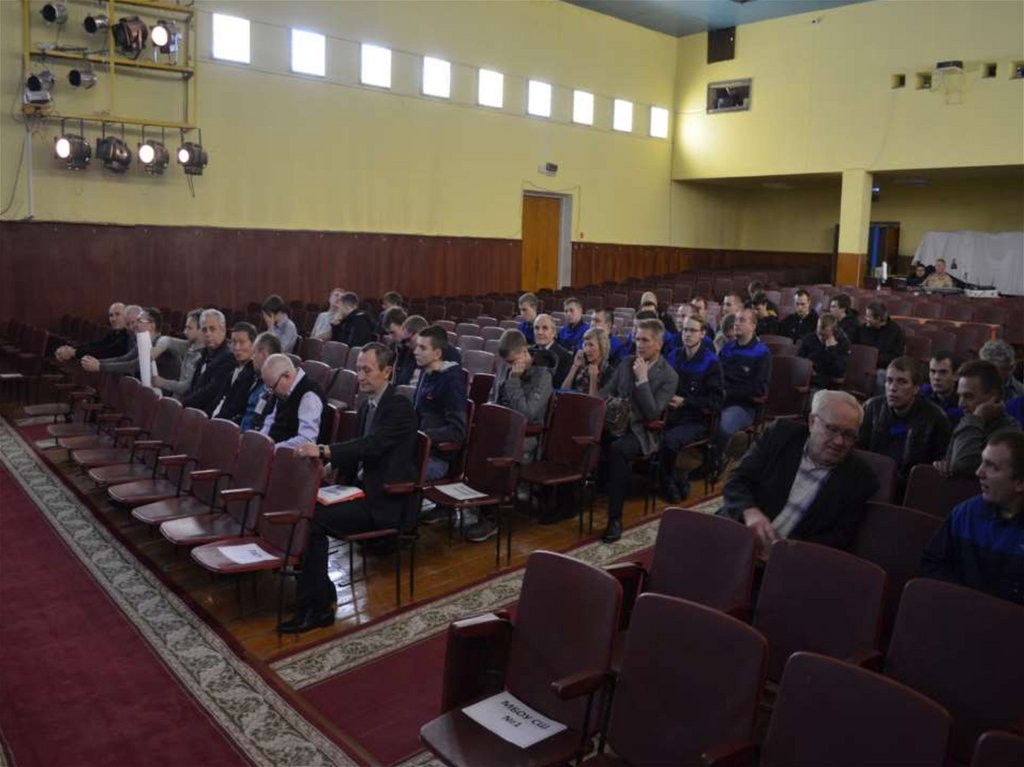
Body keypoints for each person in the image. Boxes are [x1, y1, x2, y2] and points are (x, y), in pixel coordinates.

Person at [284, 343, 419, 632]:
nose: (360, 376)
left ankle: (318, 608)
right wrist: (332, 468)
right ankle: (318, 591)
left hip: (384, 500)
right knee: (304, 507)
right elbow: (358, 450)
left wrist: (325, 451)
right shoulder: (367, 404)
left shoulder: (399, 406)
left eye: (367, 370)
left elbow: (372, 446)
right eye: (358, 369)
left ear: (387, 371)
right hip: (358, 491)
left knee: (313, 520)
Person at [718, 390, 879, 552]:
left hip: (787, 559)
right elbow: (736, 481)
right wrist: (749, 511)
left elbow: (839, 538)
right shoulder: (780, 435)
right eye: (832, 429)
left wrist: (789, 551)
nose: (839, 442)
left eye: (849, 435)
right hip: (736, 532)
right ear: (812, 422)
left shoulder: (861, 479)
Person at [465, 329, 554, 543]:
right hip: (500, 431)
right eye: (507, 363)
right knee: (473, 445)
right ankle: (477, 504)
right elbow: (493, 397)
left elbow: (527, 414)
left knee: (494, 455)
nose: (510, 366)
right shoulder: (506, 366)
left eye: (513, 361)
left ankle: (490, 518)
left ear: (524, 352)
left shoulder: (542, 375)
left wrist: (514, 380)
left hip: (525, 437)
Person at [597, 319, 678, 543]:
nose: (639, 345)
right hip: (614, 423)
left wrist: (642, 380)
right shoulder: (626, 362)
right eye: (637, 339)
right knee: (585, 437)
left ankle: (614, 519)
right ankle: (569, 500)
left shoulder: (669, 376)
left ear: (658, 344)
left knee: (618, 449)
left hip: (642, 432)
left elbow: (652, 413)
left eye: (645, 340)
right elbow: (605, 392)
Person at [922, 431, 1024, 605]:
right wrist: (965, 602)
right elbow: (933, 563)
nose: (978, 472)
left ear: (1020, 483)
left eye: (992, 467)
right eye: (982, 462)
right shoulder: (966, 513)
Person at [858, 356, 951, 481]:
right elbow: (859, 450)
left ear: (916, 388)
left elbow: (938, 464)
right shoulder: (871, 408)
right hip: (873, 478)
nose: (893, 388)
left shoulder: (936, 418)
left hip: (912, 483)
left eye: (902, 382)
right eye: (889, 380)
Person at [662, 316, 724, 503]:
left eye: (693, 330)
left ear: (703, 334)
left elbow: (715, 401)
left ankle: (669, 483)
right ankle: (675, 478)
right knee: (649, 436)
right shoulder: (674, 355)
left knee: (669, 441)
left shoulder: (711, 362)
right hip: (670, 413)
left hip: (696, 419)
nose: (687, 334)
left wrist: (686, 402)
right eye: (685, 330)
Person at [934, 360, 1019, 478]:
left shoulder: (1008, 432)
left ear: (993, 396)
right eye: (959, 396)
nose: (960, 404)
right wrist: (942, 465)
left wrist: (976, 418)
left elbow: (963, 465)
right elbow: (951, 463)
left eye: (968, 396)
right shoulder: (967, 420)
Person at [412, 325, 468, 481]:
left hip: (436, 459)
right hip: (417, 449)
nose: (415, 351)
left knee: (387, 470)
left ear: (437, 354)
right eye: (417, 346)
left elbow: (457, 431)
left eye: (422, 348)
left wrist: (421, 435)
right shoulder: (426, 373)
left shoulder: (452, 382)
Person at [718, 308, 772, 455]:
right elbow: (716, 376)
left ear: (753, 326)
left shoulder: (762, 353)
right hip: (720, 399)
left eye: (742, 320)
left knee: (723, 426)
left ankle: (717, 462)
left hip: (744, 407)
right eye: (736, 320)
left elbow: (758, 390)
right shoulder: (727, 348)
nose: (736, 324)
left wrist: (728, 392)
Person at [258, 354, 331, 448]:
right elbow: (270, 422)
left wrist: (273, 448)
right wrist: (262, 441)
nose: (272, 393)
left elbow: (306, 440)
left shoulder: (309, 396)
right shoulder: (282, 391)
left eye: (273, 387)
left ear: (287, 375)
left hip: (291, 455)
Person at [184, 309, 236, 416]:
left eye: (212, 329)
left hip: (207, 415)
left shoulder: (228, 357)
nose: (208, 334)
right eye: (204, 330)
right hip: (193, 411)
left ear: (223, 330)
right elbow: (194, 386)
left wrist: (184, 403)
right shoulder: (204, 355)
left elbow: (211, 391)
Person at [211, 322, 259, 424]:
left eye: (242, 342)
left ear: (254, 344)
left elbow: (235, 410)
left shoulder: (253, 375)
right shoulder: (229, 368)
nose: (237, 347)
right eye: (233, 342)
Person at [852, 301, 905, 392]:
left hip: (883, 366)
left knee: (880, 376)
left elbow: (896, 355)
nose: (866, 318)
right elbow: (855, 346)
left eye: (869, 316)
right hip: (863, 363)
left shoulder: (895, 331)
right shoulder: (863, 329)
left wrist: (875, 360)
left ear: (878, 319)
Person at [154, 309, 204, 401]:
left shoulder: (202, 356)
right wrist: (158, 349)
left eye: (189, 328)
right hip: (176, 399)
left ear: (201, 330)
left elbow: (187, 387)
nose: (185, 332)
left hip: (186, 402)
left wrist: (162, 382)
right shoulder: (189, 345)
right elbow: (167, 340)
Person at [54, 302, 129, 362]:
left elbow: (106, 351)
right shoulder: (115, 332)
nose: (113, 319)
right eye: (111, 315)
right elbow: (98, 344)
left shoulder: (128, 335)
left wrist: (74, 352)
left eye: (117, 314)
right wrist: (73, 349)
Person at [80, 305, 142, 373]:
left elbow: (134, 365)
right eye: (127, 324)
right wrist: (97, 362)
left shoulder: (144, 339)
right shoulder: (133, 337)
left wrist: (100, 366)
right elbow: (126, 358)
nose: (130, 327)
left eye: (133, 322)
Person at [241, 332, 282, 432]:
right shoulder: (256, 380)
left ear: (264, 354)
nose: (252, 358)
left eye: (254, 353)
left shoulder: (275, 389)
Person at [797, 314, 850, 390]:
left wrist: (832, 349)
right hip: (810, 377)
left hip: (828, 381)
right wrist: (807, 368)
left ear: (834, 331)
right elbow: (799, 359)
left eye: (825, 335)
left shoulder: (843, 343)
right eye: (819, 334)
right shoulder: (809, 339)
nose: (821, 337)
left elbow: (839, 371)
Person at [562, 326, 613, 395]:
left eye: (591, 345)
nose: (586, 350)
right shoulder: (581, 366)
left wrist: (593, 378)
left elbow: (595, 401)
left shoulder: (609, 372)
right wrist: (575, 366)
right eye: (585, 345)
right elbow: (563, 392)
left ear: (602, 347)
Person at [921, 351, 963, 427]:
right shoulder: (922, 395)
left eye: (943, 372)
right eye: (933, 371)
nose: (936, 377)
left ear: (956, 376)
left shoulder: (963, 400)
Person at [531, 313, 573, 389]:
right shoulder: (528, 352)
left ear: (553, 333)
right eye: (536, 328)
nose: (539, 332)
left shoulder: (565, 357)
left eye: (545, 328)